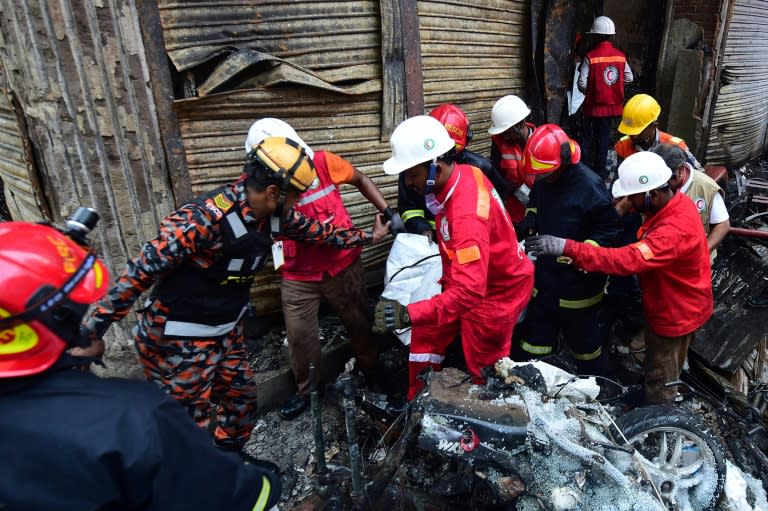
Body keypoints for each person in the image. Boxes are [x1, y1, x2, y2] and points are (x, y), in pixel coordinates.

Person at [78, 137, 390, 450]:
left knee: (241, 403)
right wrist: (93, 329)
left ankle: (231, 459)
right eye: (295, 197)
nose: (297, 205)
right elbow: (140, 270)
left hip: (225, 329)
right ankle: (199, 486)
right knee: (187, 425)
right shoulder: (203, 220)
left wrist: (368, 236)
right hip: (179, 337)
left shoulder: (274, 215)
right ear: (272, 192)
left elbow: (321, 233)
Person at [0, 221, 281, 511]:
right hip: (181, 335)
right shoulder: (133, 417)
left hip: (223, 327)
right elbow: (235, 499)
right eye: (80, 314)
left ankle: (227, 451)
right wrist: (264, 486)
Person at [243, 118, 403, 420]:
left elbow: (360, 179)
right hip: (298, 275)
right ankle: (309, 391)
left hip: (343, 267)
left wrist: (387, 212)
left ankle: (373, 371)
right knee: (301, 337)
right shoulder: (262, 191)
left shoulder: (323, 163)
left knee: (360, 324)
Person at [526, 152, 713, 404]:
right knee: (655, 359)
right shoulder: (672, 204)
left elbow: (628, 260)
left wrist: (567, 247)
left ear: (652, 195)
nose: (627, 202)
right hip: (670, 299)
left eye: (632, 197)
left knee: (662, 371)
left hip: (676, 311)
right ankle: (650, 393)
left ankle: (658, 424)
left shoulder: (672, 231)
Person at [372, 115, 534, 400]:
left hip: (495, 294)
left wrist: (409, 312)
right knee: (425, 332)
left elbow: (469, 293)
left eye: (412, 174)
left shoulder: (466, 214)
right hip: (476, 279)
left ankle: (486, 424)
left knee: (484, 369)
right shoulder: (465, 175)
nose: (408, 183)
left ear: (436, 165)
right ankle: (418, 401)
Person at [516, 124, 622, 374]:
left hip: (578, 289)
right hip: (545, 282)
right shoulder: (545, 180)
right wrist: (531, 222)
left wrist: (583, 253)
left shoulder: (589, 186)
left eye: (546, 173)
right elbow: (535, 203)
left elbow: (609, 229)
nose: (542, 178)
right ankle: (530, 384)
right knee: (533, 345)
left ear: (563, 162)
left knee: (585, 350)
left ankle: (597, 387)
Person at [398, 103, 505, 236]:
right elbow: (409, 209)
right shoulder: (413, 172)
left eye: (450, 150)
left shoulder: (480, 168)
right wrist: (422, 229)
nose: (443, 156)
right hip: (429, 241)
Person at [577, 15, 633, 180]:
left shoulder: (591, 56)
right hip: (612, 108)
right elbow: (629, 78)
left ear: (595, 36)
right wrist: (613, 87)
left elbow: (581, 83)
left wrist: (591, 91)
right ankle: (600, 174)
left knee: (587, 139)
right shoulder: (620, 56)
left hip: (592, 108)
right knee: (603, 140)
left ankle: (585, 173)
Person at [653, 143, 730, 257]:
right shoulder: (653, 182)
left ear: (681, 170)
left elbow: (723, 224)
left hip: (696, 262)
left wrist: (704, 251)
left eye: (668, 178)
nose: (663, 183)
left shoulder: (706, 187)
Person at [614, 93, 702, 170]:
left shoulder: (677, 146)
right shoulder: (622, 146)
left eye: (638, 132)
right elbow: (614, 181)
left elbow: (698, 175)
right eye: (630, 131)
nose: (633, 136)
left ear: (654, 126)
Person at [488, 94, 536, 223]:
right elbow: (498, 176)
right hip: (513, 212)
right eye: (503, 132)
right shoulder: (498, 141)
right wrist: (516, 190)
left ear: (521, 124)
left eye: (508, 132)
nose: (505, 137)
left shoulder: (540, 141)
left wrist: (523, 144)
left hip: (539, 209)